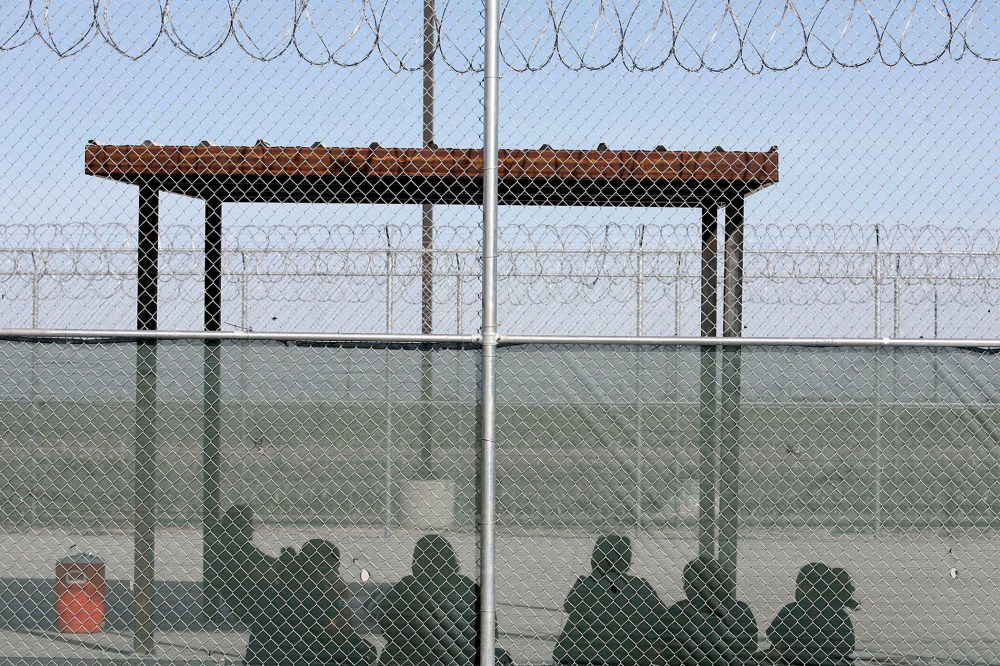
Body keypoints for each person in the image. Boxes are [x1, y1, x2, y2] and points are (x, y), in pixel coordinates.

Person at [245, 538, 376, 666]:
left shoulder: (284, 585)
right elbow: (339, 634)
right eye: (334, 569)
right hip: (295, 658)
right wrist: (339, 598)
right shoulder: (313, 594)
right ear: (322, 570)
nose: (336, 574)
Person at [553, 534, 666, 666]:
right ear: (628, 563)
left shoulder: (586, 583)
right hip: (629, 656)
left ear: (594, 561)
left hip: (580, 656)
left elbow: (569, 605)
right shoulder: (639, 586)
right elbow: (662, 615)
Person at [376, 534, 486, 666]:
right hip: (462, 659)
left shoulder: (406, 586)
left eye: (416, 559)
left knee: (391, 652)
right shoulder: (469, 587)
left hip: (412, 658)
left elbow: (385, 625)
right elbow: (491, 633)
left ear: (419, 562)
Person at [657, 555, 756, 666]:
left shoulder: (738, 610)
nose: (685, 587)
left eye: (691, 583)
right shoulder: (677, 611)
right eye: (686, 582)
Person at [209, 504, 291, 625]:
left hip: (256, 604)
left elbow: (270, 564)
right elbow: (265, 572)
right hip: (255, 607)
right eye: (248, 523)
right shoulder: (235, 548)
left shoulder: (239, 546)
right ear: (237, 526)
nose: (252, 528)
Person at [766, 563, 858, 666]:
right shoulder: (839, 614)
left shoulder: (791, 610)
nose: (797, 590)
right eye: (797, 585)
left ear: (820, 588)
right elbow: (848, 648)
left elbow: (775, 641)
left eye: (801, 586)